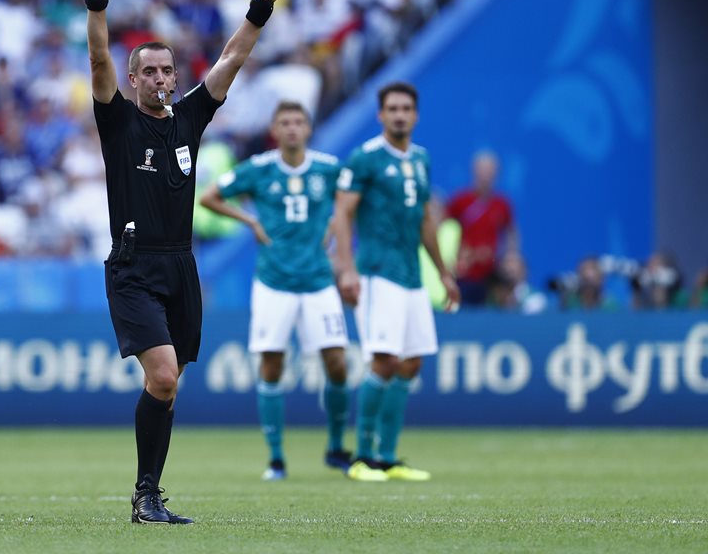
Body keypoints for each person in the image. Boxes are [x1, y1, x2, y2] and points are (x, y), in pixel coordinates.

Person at [83, 0, 296, 523]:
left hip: (180, 265)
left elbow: (232, 58)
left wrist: (262, 3)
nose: (159, 79)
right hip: (132, 267)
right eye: (148, 71)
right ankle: (144, 493)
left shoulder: (189, 119)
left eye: (166, 70)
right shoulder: (118, 119)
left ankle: (148, 493)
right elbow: (99, 58)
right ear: (133, 81)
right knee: (163, 374)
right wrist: (97, 1)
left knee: (169, 387)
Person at [199, 101, 353, 482]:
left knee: (337, 362)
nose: (291, 129)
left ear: (308, 128)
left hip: (318, 280)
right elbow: (209, 197)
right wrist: (248, 219)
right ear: (274, 128)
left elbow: (350, 205)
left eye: (298, 122)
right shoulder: (260, 169)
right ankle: (277, 458)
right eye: (284, 122)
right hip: (273, 281)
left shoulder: (328, 168)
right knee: (272, 365)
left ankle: (335, 447)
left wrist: (336, 230)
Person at [330, 81, 459, 483]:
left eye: (406, 108)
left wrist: (442, 272)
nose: (400, 115)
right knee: (383, 360)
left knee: (411, 362)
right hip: (376, 273)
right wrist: (347, 269)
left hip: (412, 277)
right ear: (380, 115)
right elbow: (342, 215)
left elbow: (425, 220)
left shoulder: (421, 159)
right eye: (393, 109)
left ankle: (387, 457)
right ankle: (362, 458)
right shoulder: (365, 158)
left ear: (416, 115)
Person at [445, 151, 517, 307]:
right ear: (474, 171)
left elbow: (511, 232)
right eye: (482, 170)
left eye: (490, 170)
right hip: (464, 275)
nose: (486, 175)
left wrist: (510, 255)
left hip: (491, 275)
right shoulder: (460, 201)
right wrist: (457, 257)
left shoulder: (502, 204)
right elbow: (445, 230)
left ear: (496, 173)